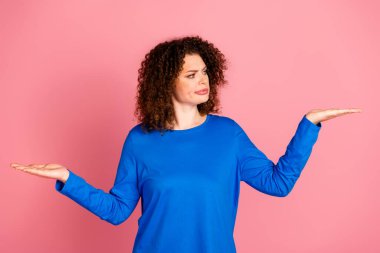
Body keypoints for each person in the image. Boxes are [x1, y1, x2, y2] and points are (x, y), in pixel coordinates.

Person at [10, 35, 362, 253]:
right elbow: (118, 211)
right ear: (166, 83)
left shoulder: (228, 135)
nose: (203, 80)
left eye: (205, 72)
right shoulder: (139, 140)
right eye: (191, 75)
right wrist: (68, 178)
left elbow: (278, 183)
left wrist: (310, 125)